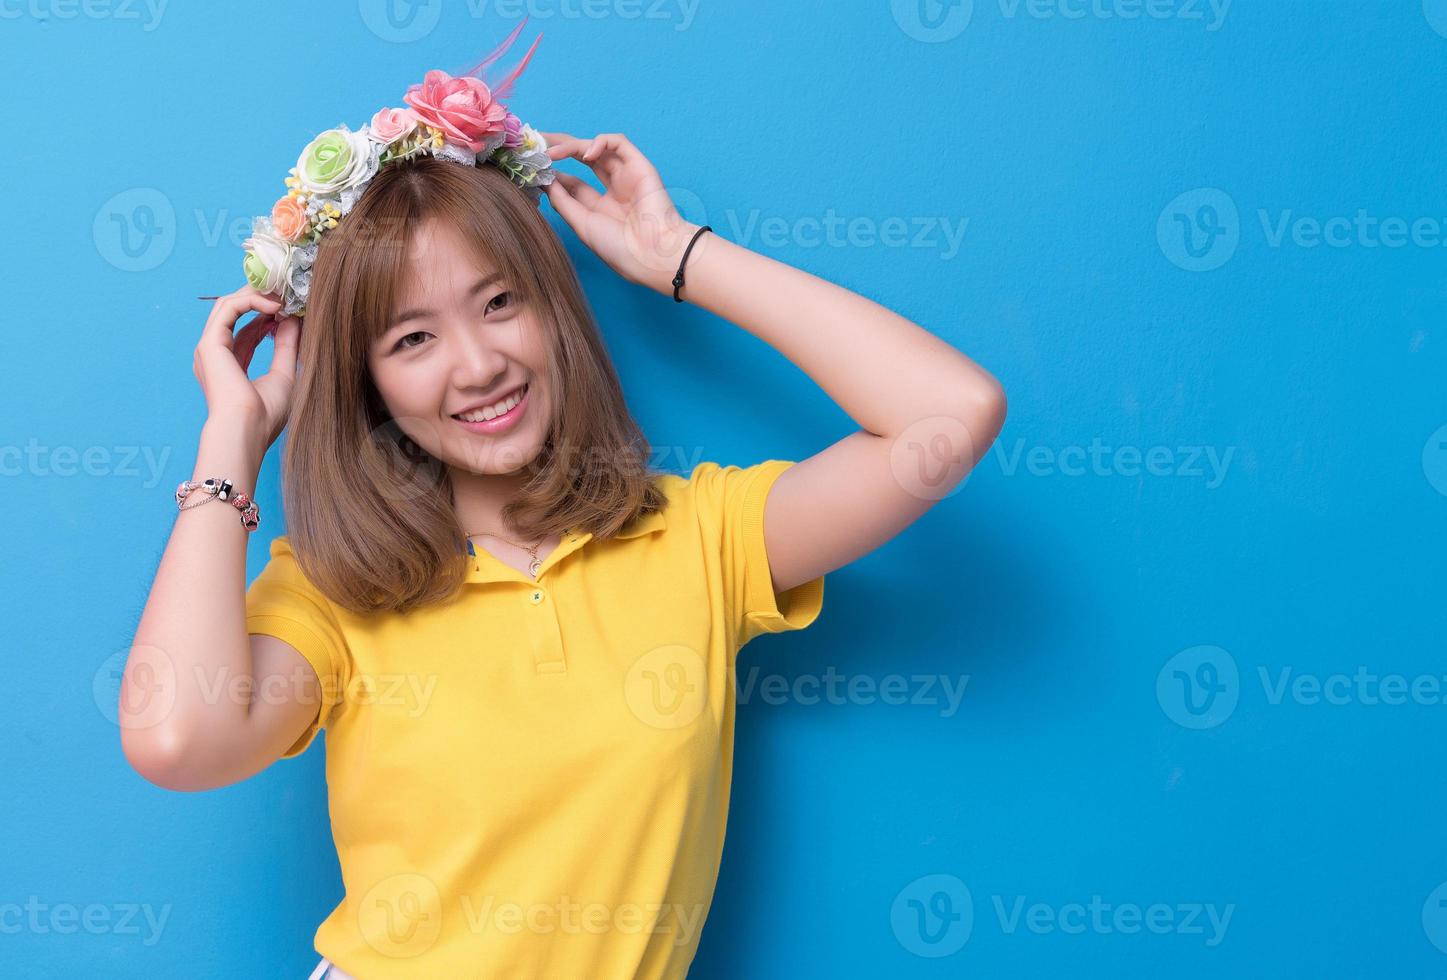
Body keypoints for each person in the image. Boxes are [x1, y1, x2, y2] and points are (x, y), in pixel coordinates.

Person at [119, 25, 1007, 980]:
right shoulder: (339, 592)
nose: (478, 363)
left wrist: (676, 255)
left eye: (499, 302)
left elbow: (949, 418)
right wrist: (234, 442)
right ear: (367, 381)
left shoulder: (694, 539)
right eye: (411, 339)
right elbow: (178, 740)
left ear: (553, 308)